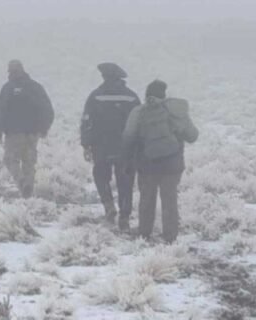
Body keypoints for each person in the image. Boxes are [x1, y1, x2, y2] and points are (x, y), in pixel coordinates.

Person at [122, 80, 199, 243]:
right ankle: (170, 237)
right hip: (172, 164)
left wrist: (128, 161)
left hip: (146, 163)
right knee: (169, 200)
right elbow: (192, 136)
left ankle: (144, 234)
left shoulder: (138, 112)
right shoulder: (174, 111)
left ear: (146, 95)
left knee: (146, 199)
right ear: (164, 95)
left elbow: (128, 138)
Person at [80, 63, 141, 230]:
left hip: (101, 146)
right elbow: (139, 123)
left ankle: (108, 205)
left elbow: (86, 121)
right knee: (125, 181)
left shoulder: (95, 95)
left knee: (101, 176)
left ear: (105, 77)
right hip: (126, 148)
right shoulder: (131, 97)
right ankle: (124, 216)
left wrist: (86, 145)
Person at [0, 60, 54, 198]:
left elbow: (0, 111)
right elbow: (48, 109)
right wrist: (44, 128)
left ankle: (21, 182)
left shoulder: (8, 88)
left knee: (10, 160)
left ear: (10, 72)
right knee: (29, 162)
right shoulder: (35, 87)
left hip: (13, 133)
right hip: (32, 132)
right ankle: (28, 189)